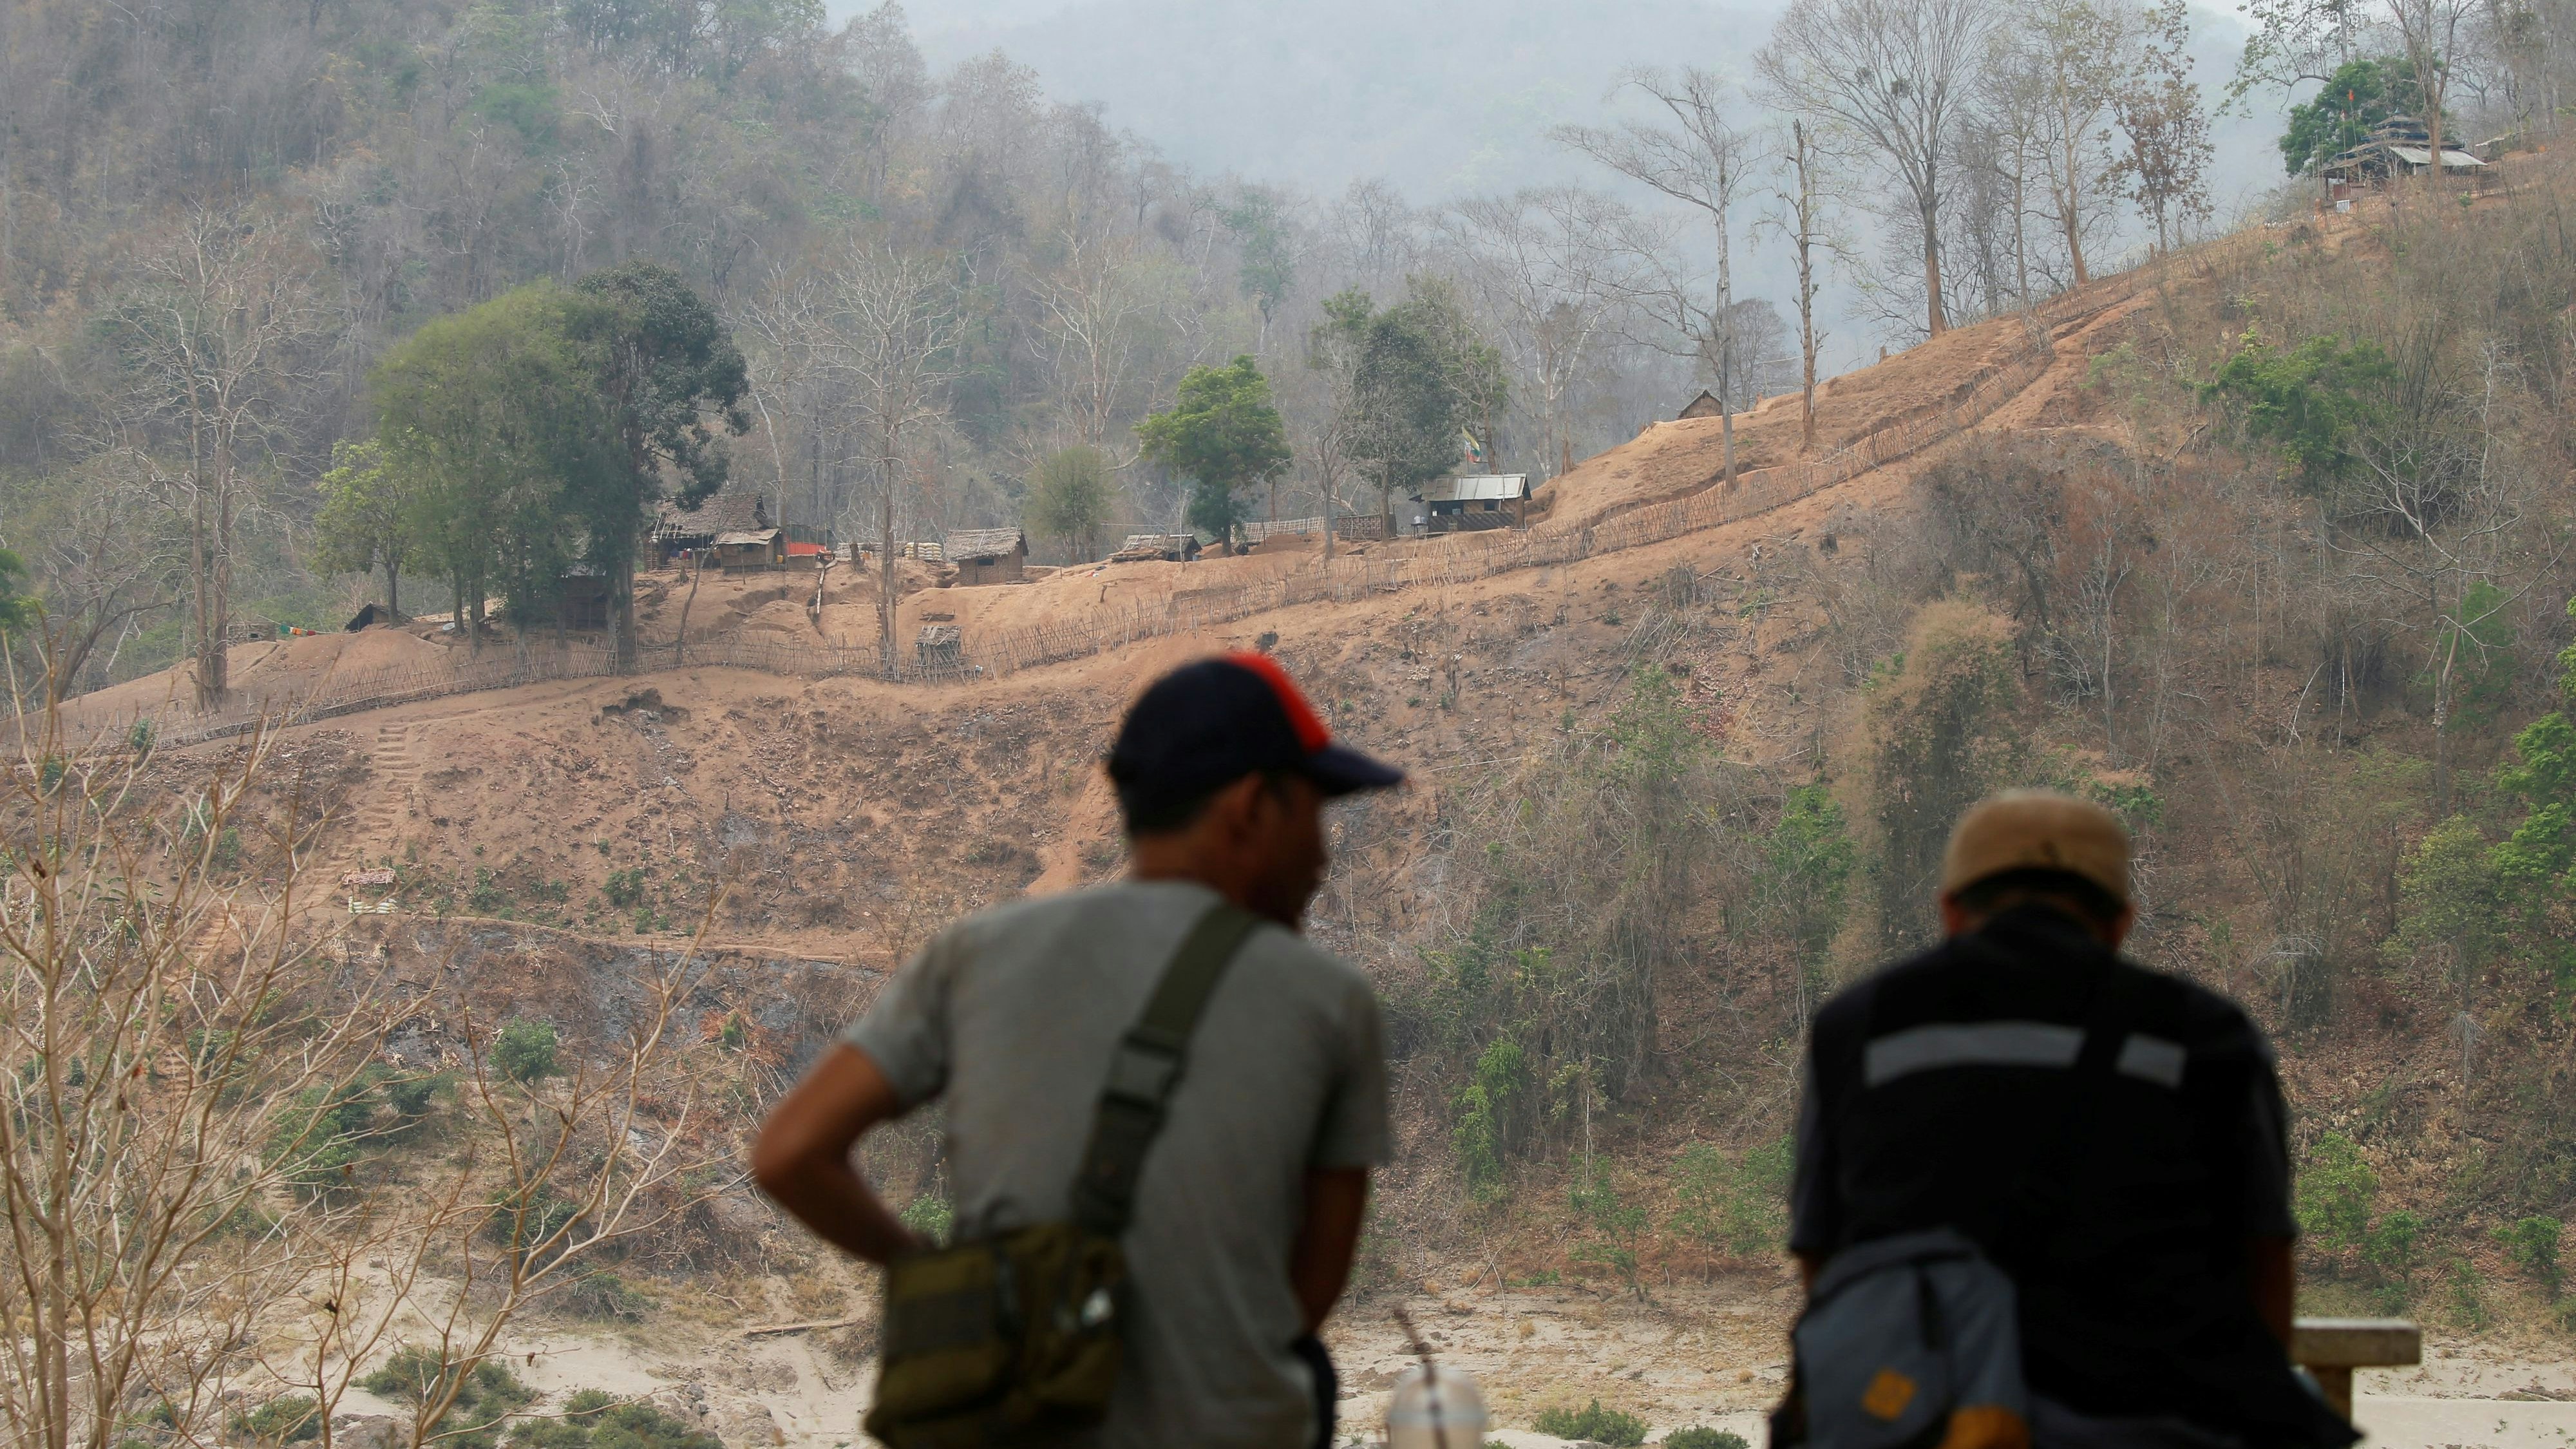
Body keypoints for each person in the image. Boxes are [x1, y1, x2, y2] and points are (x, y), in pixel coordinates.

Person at [750, 652, 1400, 1449]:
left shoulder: (976, 953)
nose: (1322, 856)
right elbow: (1309, 1293)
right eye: (1312, 814)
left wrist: (933, 1277)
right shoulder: (1329, 1002)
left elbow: (789, 1153)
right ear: (1252, 808)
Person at [1788, 791, 2353, 1449]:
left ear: (1949, 913)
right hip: (2158, 1422)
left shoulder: (1857, 1026)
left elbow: (1820, 1252)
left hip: (1925, 1420)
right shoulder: (2204, 1034)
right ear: (2119, 924)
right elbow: (2264, 1254)